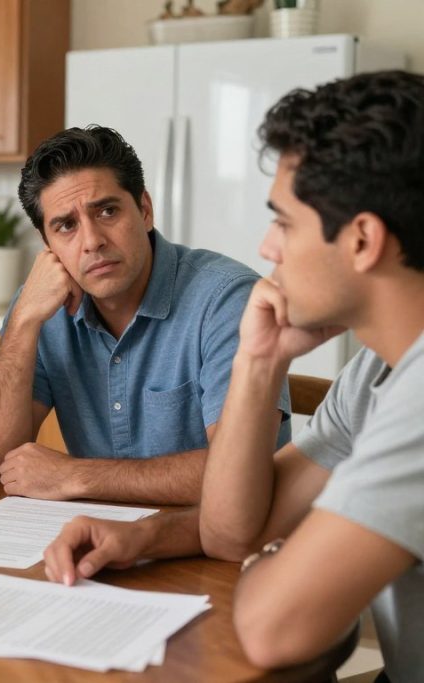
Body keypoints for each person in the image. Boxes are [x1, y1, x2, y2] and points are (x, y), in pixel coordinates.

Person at [45, 71, 424, 679]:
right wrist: (259, 360)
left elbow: (271, 628)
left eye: (286, 222)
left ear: (362, 241)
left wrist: (270, 558)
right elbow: (234, 529)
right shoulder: (375, 374)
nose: (268, 247)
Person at [0, 125, 290, 504]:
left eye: (107, 211)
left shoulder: (227, 299)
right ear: (47, 245)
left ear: (145, 210)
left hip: (218, 546)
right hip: (94, 542)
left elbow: (242, 475)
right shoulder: (40, 306)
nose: (92, 241)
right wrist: (22, 322)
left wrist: (77, 476)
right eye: (66, 226)